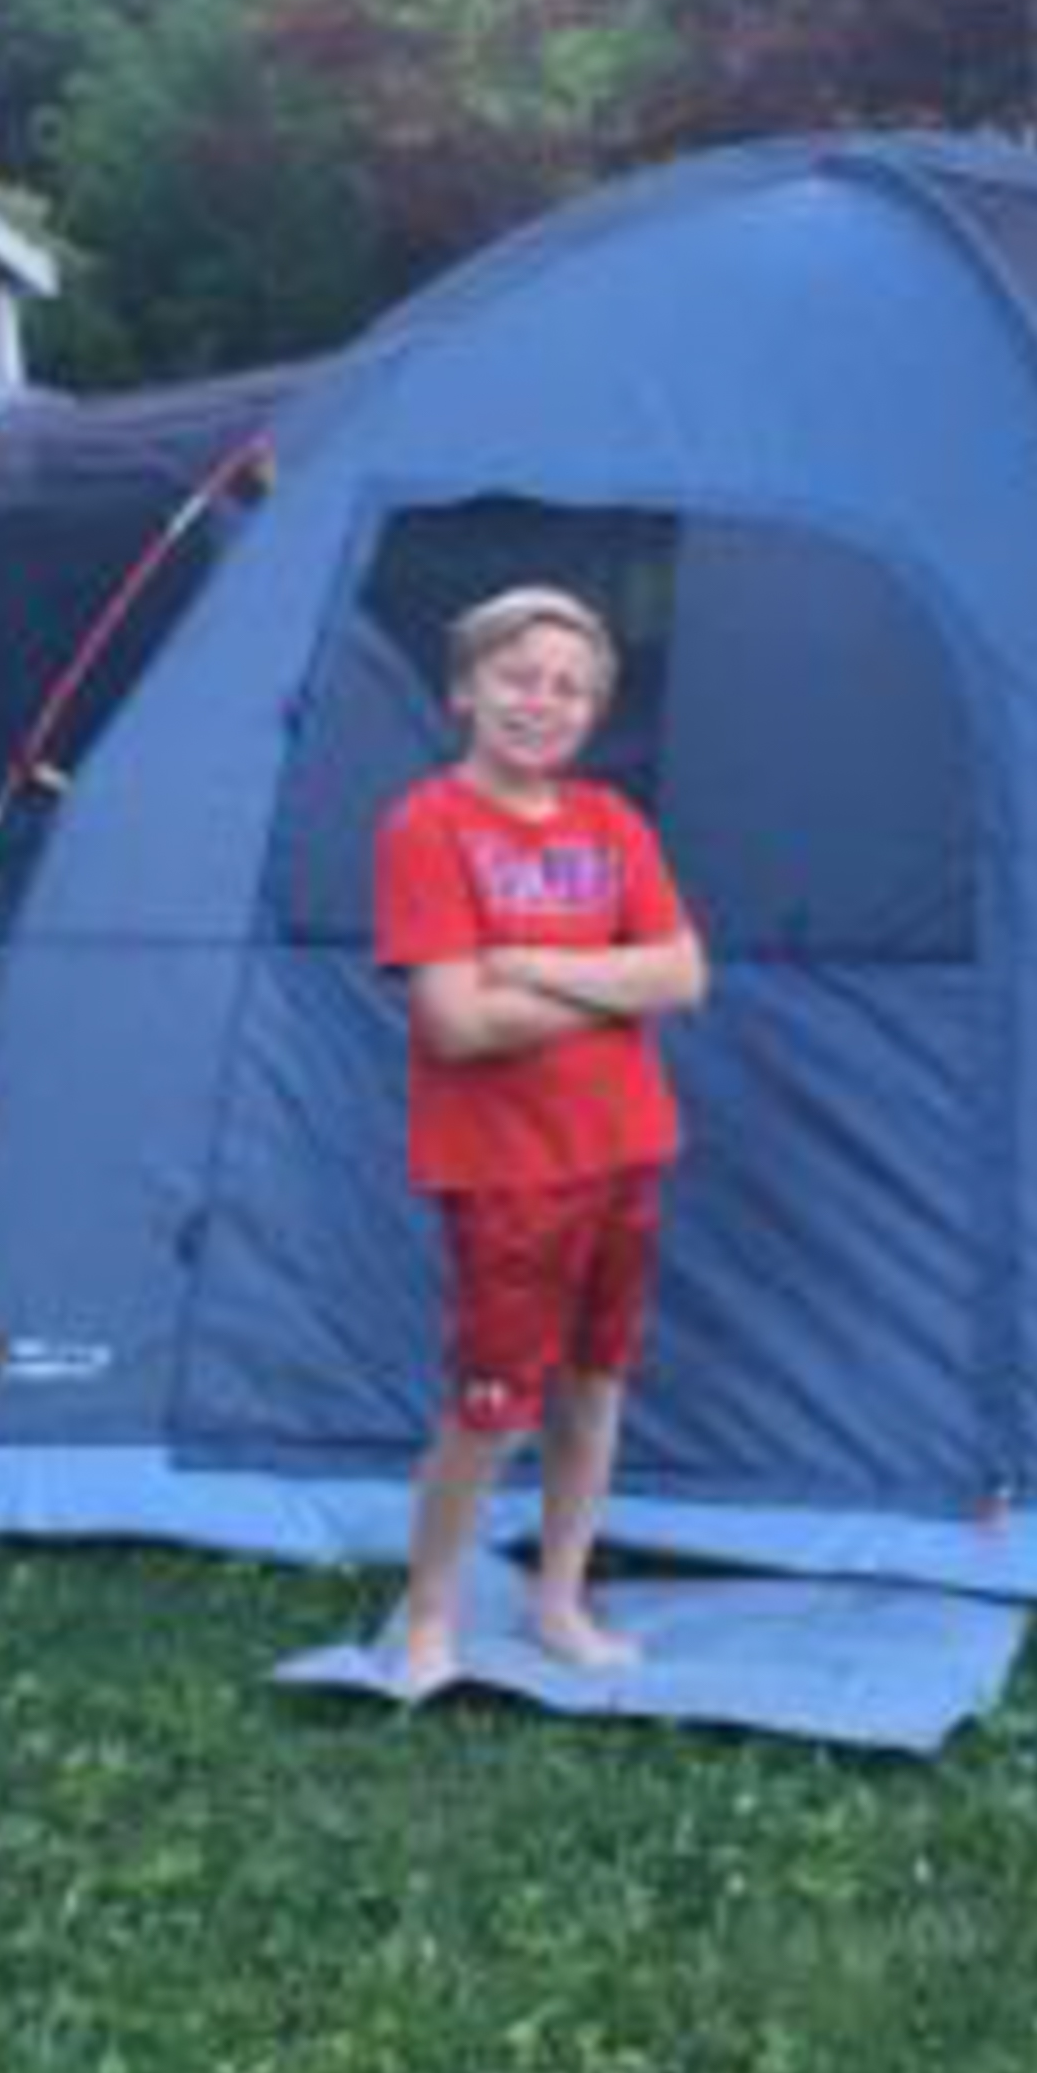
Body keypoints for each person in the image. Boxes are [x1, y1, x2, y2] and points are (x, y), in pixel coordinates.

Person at [371, 582, 710, 1695]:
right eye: (518, 677)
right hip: (505, 1172)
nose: (541, 702)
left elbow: (684, 974)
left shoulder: (612, 823)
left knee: (594, 1386)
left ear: (593, 712)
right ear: (465, 690)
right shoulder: (427, 826)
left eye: (569, 688)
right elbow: (457, 1025)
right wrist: (614, 986)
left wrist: (533, 965)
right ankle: (429, 1613)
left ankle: (558, 1598)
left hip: (626, 1149)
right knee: (491, 1407)